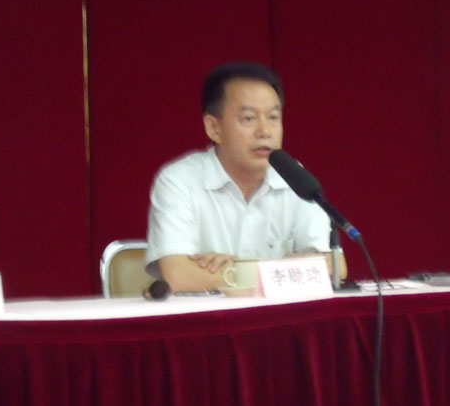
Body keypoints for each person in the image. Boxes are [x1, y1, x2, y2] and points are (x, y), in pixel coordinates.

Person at [145, 61, 347, 292]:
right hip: (210, 315)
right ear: (214, 128)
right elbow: (178, 275)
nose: (265, 131)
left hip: (281, 314)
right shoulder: (179, 180)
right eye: (249, 118)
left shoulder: (296, 179)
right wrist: (282, 268)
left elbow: (334, 266)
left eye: (273, 117)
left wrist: (236, 269)